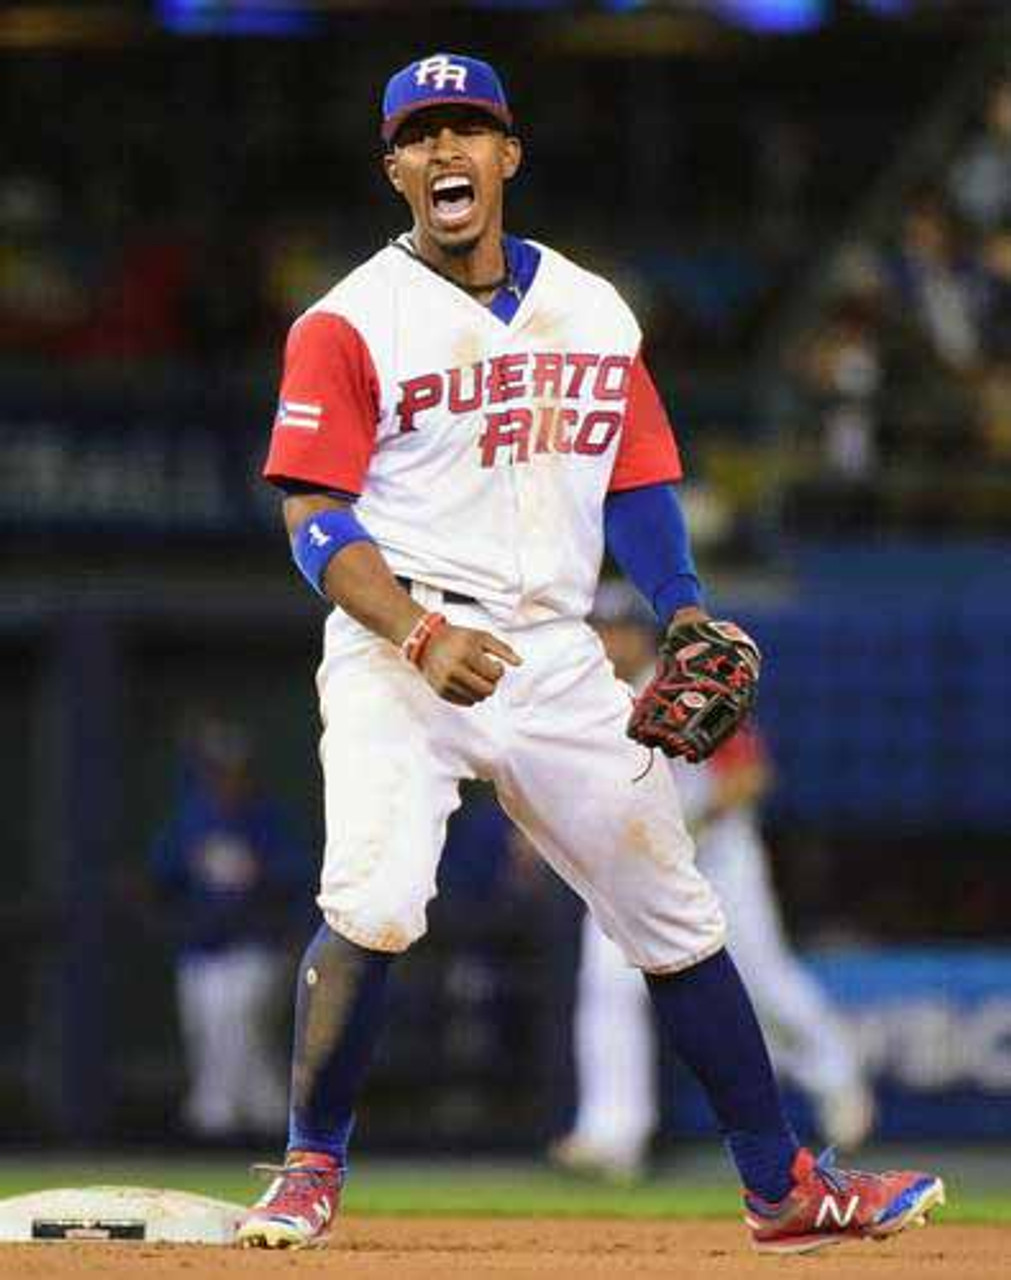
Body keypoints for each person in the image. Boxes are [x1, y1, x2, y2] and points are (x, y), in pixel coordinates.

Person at [237, 53, 943, 1252]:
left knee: (675, 910)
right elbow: (315, 520)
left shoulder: (595, 306)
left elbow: (639, 474)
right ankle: (310, 1166)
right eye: (421, 134)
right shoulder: (346, 321)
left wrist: (680, 606)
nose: (446, 150)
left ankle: (782, 1187)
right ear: (395, 168)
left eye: (469, 128)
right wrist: (413, 626)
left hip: (557, 648)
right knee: (377, 895)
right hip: (398, 643)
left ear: (508, 155)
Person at [550, 583, 875, 1184]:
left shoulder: (683, 685)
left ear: (641, 636)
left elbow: (748, 776)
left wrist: (683, 824)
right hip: (628, 864)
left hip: (717, 858)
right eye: (598, 628)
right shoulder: (580, 699)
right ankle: (611, 1134)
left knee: (764, 979)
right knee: (607, 987)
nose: (607, 638)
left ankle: (837, 1081)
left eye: (618, 628)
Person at [150, 716, 309, 1140]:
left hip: (257, 946)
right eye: (219, 771)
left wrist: (259, 871)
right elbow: (161, 874)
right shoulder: (191, 820)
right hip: (203, 948)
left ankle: (220, 1120)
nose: (227, 780)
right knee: (207, 1035)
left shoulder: (267, 820)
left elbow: (297, 875)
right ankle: (259, 1117)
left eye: (234, 771)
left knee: (238, 1025)